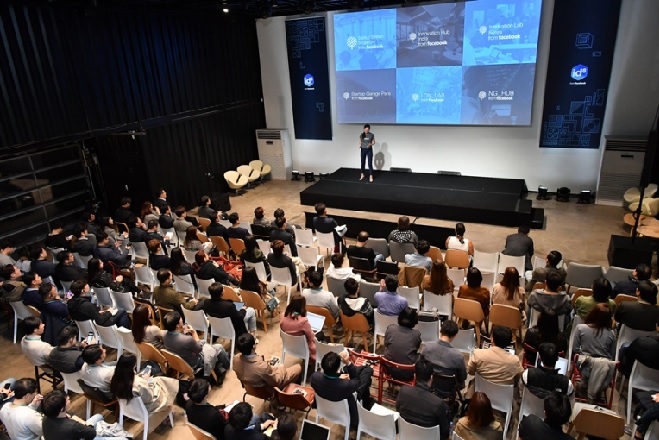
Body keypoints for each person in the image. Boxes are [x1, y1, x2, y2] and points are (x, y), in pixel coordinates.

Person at [311, 351, 374, 429]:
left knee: (363, 372)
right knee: (367, 375)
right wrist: (348, 363)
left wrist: (338, 377)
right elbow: (357, 382)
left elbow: (326, 379)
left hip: (325, 408)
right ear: (337, 368)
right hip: (347, 412)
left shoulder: (314, 377)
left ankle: (364, 368)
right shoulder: (346, 385)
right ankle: (367, 402)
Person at [162, 311, 230, 381]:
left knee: (206, 343)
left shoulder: (163, 335)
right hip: (196, 363)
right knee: (219, 347)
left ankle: (219, 366)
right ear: (177, 326)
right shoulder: (187, 339)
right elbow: (199, 348)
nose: (182, 319)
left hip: (182, 362)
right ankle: (227, 365)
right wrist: (194, 333)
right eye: (180, 318)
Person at [396, 358, 451, 437]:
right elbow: (445, 433)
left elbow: (398, 412)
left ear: (415, 376)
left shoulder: (403, 392)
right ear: (431, 378)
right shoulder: (439, 404)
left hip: (405, 436)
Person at [110, 353, 181, 412]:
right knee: (164, 380)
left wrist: (138, 377)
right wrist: (148, 380)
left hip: (131, 409)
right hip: (152, 404)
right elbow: (150, 396)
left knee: (152, 371)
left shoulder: (115, 381)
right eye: (134, 367)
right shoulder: (138, 384)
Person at [233, 333, 302, 389]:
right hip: (268, 388)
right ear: (254, 346)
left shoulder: (235, 359)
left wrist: (264, 362)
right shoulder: (262, 367)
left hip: (251, 387)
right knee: (298, 367)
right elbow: (276, 381)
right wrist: (282, 368)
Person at [420, 320, 468, 392]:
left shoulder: (426, 347)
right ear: (454, 335)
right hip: (447, 390)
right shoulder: (458, 356)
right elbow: (463, 377)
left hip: (428, 385)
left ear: (440, 331)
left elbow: (420, 366)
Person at [67, 279, 131, 329]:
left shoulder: (70, 302)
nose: (87, 285)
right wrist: (109, 312)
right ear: (82, 290)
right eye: (85, 285)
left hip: (86, 328)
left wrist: (97, 313)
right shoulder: (87, 305)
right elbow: (100, 320)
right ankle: (124, 332)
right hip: (98, 325)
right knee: (122, 311)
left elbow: (86, 313)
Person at [384, 307, 421, 380]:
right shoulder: (416, 334)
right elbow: (415, 349)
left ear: (399, 318)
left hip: (388, 369)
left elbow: (386, 344)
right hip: (407, 372)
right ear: (415, 321)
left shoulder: (390, 328)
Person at [279, 295, 316, 364]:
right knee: (320, 335)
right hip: (302, 347)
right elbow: (310, 338)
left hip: (288, 345)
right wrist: (312, 332)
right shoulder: (303, 321)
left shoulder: (282, 315)